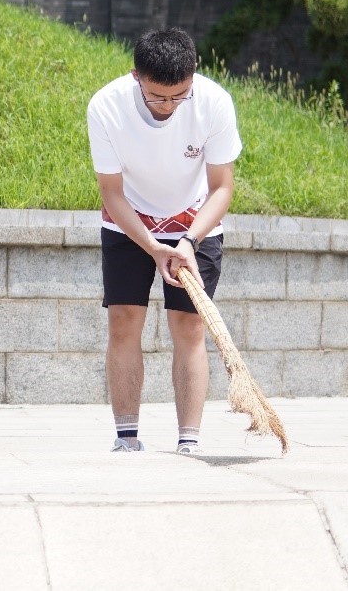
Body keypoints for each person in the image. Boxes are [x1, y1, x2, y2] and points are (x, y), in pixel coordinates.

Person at [87, 28, 242, 454]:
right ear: (136, 76)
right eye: (159, 97)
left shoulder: (213, 103)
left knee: (189, 326)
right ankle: (126, 437)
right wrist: (152, 246)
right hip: (129, 220)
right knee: (123, 321)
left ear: (193, 76)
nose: (170, 106)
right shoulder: (106, 106)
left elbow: (222, 188)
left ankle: (188, 441)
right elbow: (112, 193)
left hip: (196, 222)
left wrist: (189, 240)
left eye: (180, 95)